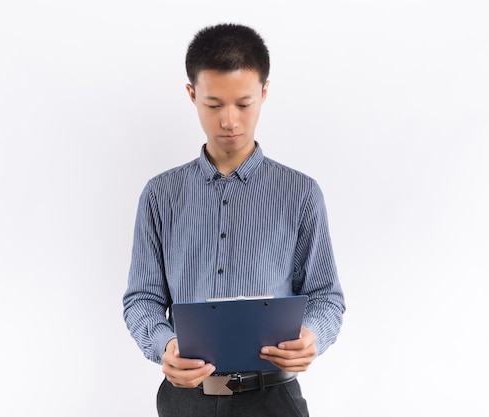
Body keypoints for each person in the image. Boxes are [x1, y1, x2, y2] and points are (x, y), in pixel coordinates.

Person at [123, 23, 345, 417]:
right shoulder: (160, 195)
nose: (229, 121)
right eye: (213, 105)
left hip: (274, 399)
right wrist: (164, 345)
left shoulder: (300, 193)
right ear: (192, 95)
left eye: (243, 104)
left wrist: (312, 335)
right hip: (186, 401)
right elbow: (143, 299)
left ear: (264, 92)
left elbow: (326, 295)